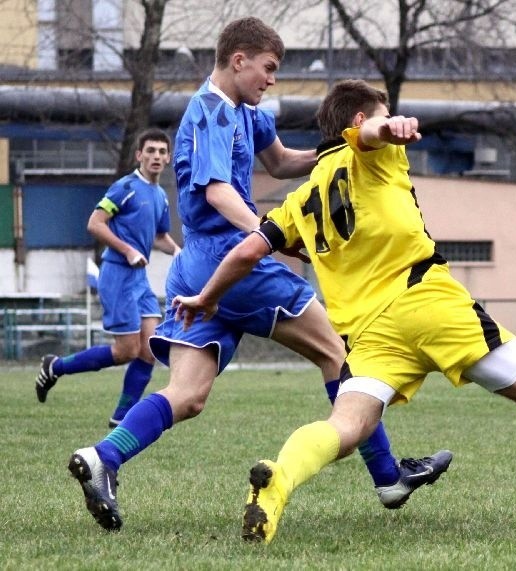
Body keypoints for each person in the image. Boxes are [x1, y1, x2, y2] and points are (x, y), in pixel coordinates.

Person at [172, 79, 516, 545]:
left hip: (370, 334)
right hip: (428, 302)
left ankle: (280, 481)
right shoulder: (374, 147)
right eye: (380, 115)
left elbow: (246, 250)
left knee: (346, 425)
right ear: (362, 118)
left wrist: (207, 297)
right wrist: (392, 128)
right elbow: (369, 134)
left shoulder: (297, 200)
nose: (388, 125)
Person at [66, 19, 450, 533]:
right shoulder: (209, 113)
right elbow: (218, 193)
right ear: (238, 59)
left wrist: (344, 154)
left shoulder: (247, 112)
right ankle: (387, 477)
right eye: (268, 69)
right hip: (230, 257)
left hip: (197, 268)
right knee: (338, 352)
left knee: (188, 395)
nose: (272, 80)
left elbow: (284, 161)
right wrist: (269, 235)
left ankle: (103, 458)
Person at [35, 128, 180, 428]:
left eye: (161, 152)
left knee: (149, 348)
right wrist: (127, 250)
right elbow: (95, 223)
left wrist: (180, 254)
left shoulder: (160, 197)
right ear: (139, 155)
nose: (155, 156)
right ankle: (55, 366)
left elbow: (159, 236)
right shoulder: (124, 187)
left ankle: (120, 419)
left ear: (168, 158)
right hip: (116, 274)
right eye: (150, 151)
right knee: (125, 351)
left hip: (138, 278)